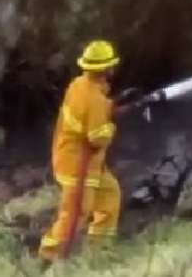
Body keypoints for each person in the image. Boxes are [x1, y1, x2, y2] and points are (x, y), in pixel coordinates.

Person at [38, 39, 122, 261]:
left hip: (80, 162)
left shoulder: (78, 85)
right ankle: (48, 258)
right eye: (111, 65)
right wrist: (111, 126)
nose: (113, 68)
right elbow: (97, 138)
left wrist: (111, 108)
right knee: (75, 215)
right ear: (105, 69)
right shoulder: (94, 98)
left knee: (109, 195)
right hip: (79, 167)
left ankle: (99, 251)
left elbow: (87, 115)